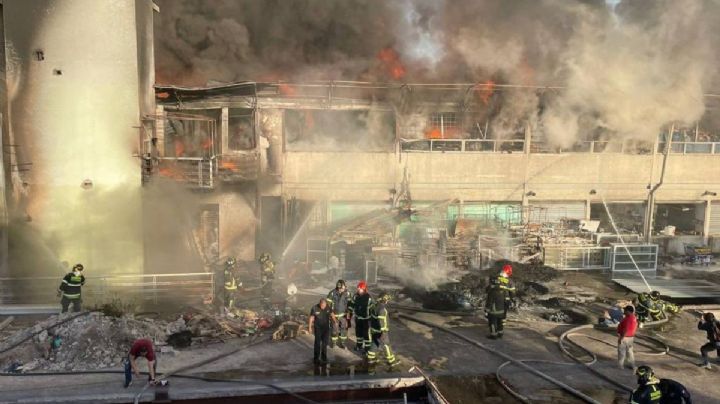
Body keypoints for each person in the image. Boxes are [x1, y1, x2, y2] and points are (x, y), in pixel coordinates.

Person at [367, 293, 399, 368]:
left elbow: (372, 317)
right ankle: (392, 361)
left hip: (373, 329)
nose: (387, 301)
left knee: (374, 343)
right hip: (381, 331)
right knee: (386, 345)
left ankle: (371, 358)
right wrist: (383, 332)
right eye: (387, 300)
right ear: (384, 300)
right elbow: (381, 321)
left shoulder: (374, 306)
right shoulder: (382, 309)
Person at [348, 280, 373, 352]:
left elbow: (372, 308)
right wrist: (349, 311)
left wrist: (373, 319)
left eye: (360, 289)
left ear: (364, 289)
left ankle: (367, 348)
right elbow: (352, 304)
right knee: (358, 333)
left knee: (366, 334)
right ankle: (359, 346)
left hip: (366, 319)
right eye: (358, 289)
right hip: (358, 318)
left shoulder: (368, 298)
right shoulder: (355, 296)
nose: (358, 290)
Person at [308, 298, 334, 365]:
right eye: (322, 305)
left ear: (326, 304)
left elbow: (332, 314)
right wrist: (310, 327)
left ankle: (324, 358)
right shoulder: (314, 308)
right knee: (317, 344)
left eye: (324, 305)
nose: (323, 307)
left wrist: (335, 321)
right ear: (320, 304)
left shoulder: (328, 307)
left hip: (326, 329)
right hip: (318, 328)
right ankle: (316, 358)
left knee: (324, 344)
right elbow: (311, 318)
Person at [485, 274, 511, 339]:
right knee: (500, 322)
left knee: (492, 323)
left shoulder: (492, 291)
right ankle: (500, 333)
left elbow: (489, 301)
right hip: (501, 310)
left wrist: (486, 310)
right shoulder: (503, 290)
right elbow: (506, 300)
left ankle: (493, 335)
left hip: (494, 311)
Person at [326, 279, 351, 349]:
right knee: (334, 330)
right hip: (334, 315)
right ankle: (334, 343)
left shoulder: (347, 293)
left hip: (343, 316)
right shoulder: (332, 293)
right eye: (342, 288)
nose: (344, 289)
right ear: (338, 287)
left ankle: (342, 343)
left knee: (344, 330)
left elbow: (349, 304)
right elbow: (327, 306)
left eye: (344, 287)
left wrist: (348, 313)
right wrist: (331, 314)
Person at [617, 305, 637, 370]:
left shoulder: (628, 319)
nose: (624, 311)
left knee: (621, 352)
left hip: (625, 337)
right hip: (631, 337)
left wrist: (621, 338)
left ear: (628, 311)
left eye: (625, 310)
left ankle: (620, 366)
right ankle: (632, 365)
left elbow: (626, 329)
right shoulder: (633, 317)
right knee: (630, 352)